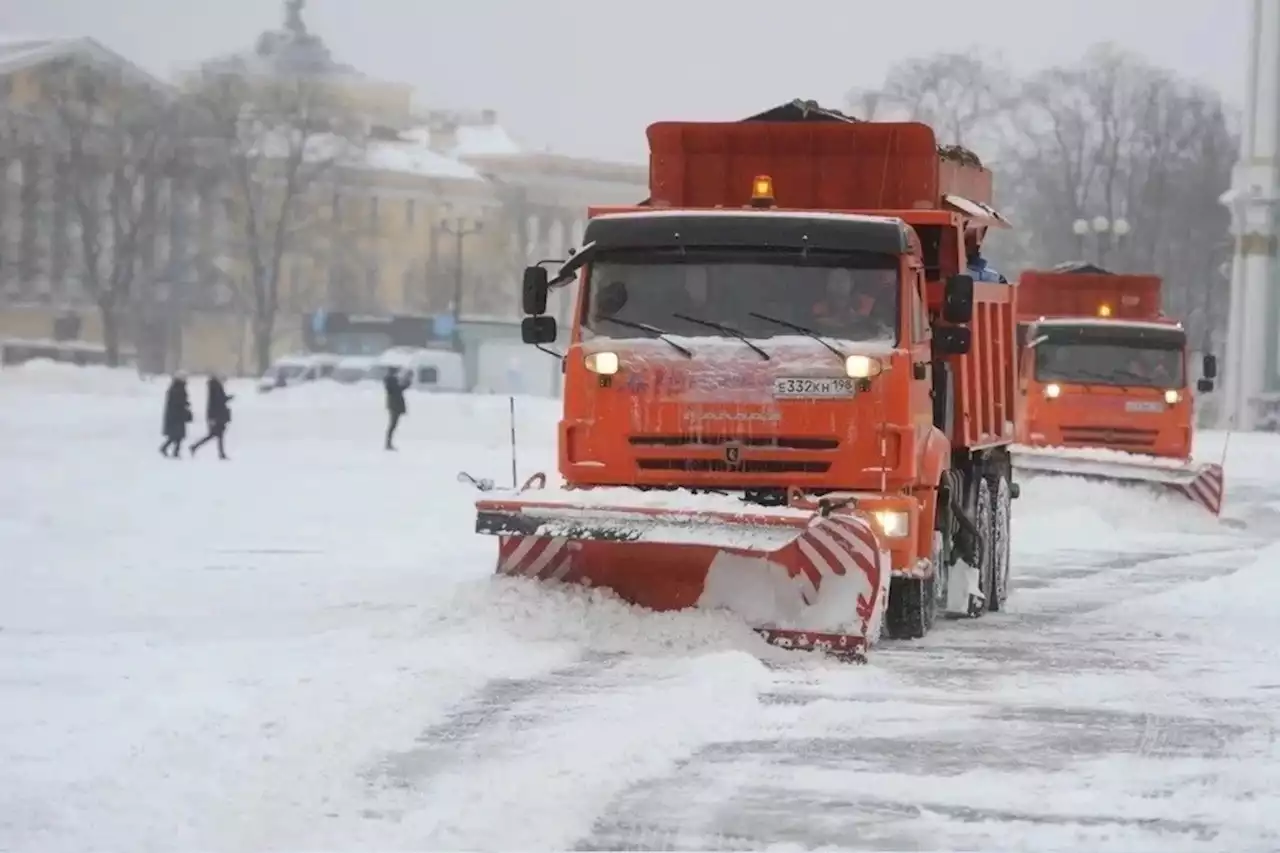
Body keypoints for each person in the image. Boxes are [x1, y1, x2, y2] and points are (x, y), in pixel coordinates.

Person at [190, 374, 233, 459]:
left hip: (216, 415)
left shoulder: (214, 387)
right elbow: (218, 401)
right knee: (215, 434)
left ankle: (221, 453)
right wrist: (227, 398)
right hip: (217, 415)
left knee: (217, 435)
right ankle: (195, 447)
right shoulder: (216, 388)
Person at [159, 374, 192, 458]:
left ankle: (174, 451)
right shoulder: (178, 389)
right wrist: (185, 404)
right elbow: (178, 401)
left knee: (178, 436)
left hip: (176, 415)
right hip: (176, 415)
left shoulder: (175, 388)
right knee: (176, 435)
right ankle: (168, 449)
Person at [383, 366, 410, 451]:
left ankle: (388, 443)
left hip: (394, 405)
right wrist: (407, 381)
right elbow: (398, 389)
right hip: (395, 405)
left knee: (393, 425)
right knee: (392, 425)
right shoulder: (391, 380)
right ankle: (388, 443)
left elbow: (399, 389)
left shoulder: (390, 380)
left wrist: (406, 382)